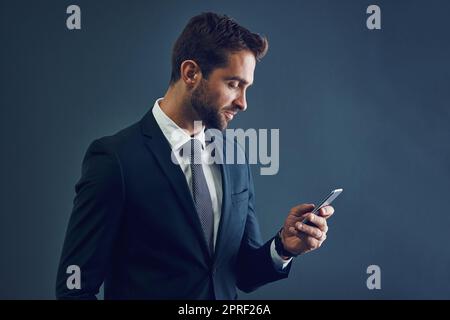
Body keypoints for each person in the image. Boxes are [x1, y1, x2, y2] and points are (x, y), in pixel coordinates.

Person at [56, 12, 335, 300]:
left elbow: (241, 273)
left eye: (246, 88)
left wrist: (284, 247)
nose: (243, 103)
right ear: (191, 73)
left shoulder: (234, 157)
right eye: (233, 84)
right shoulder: (115, 159)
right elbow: (74, 288)